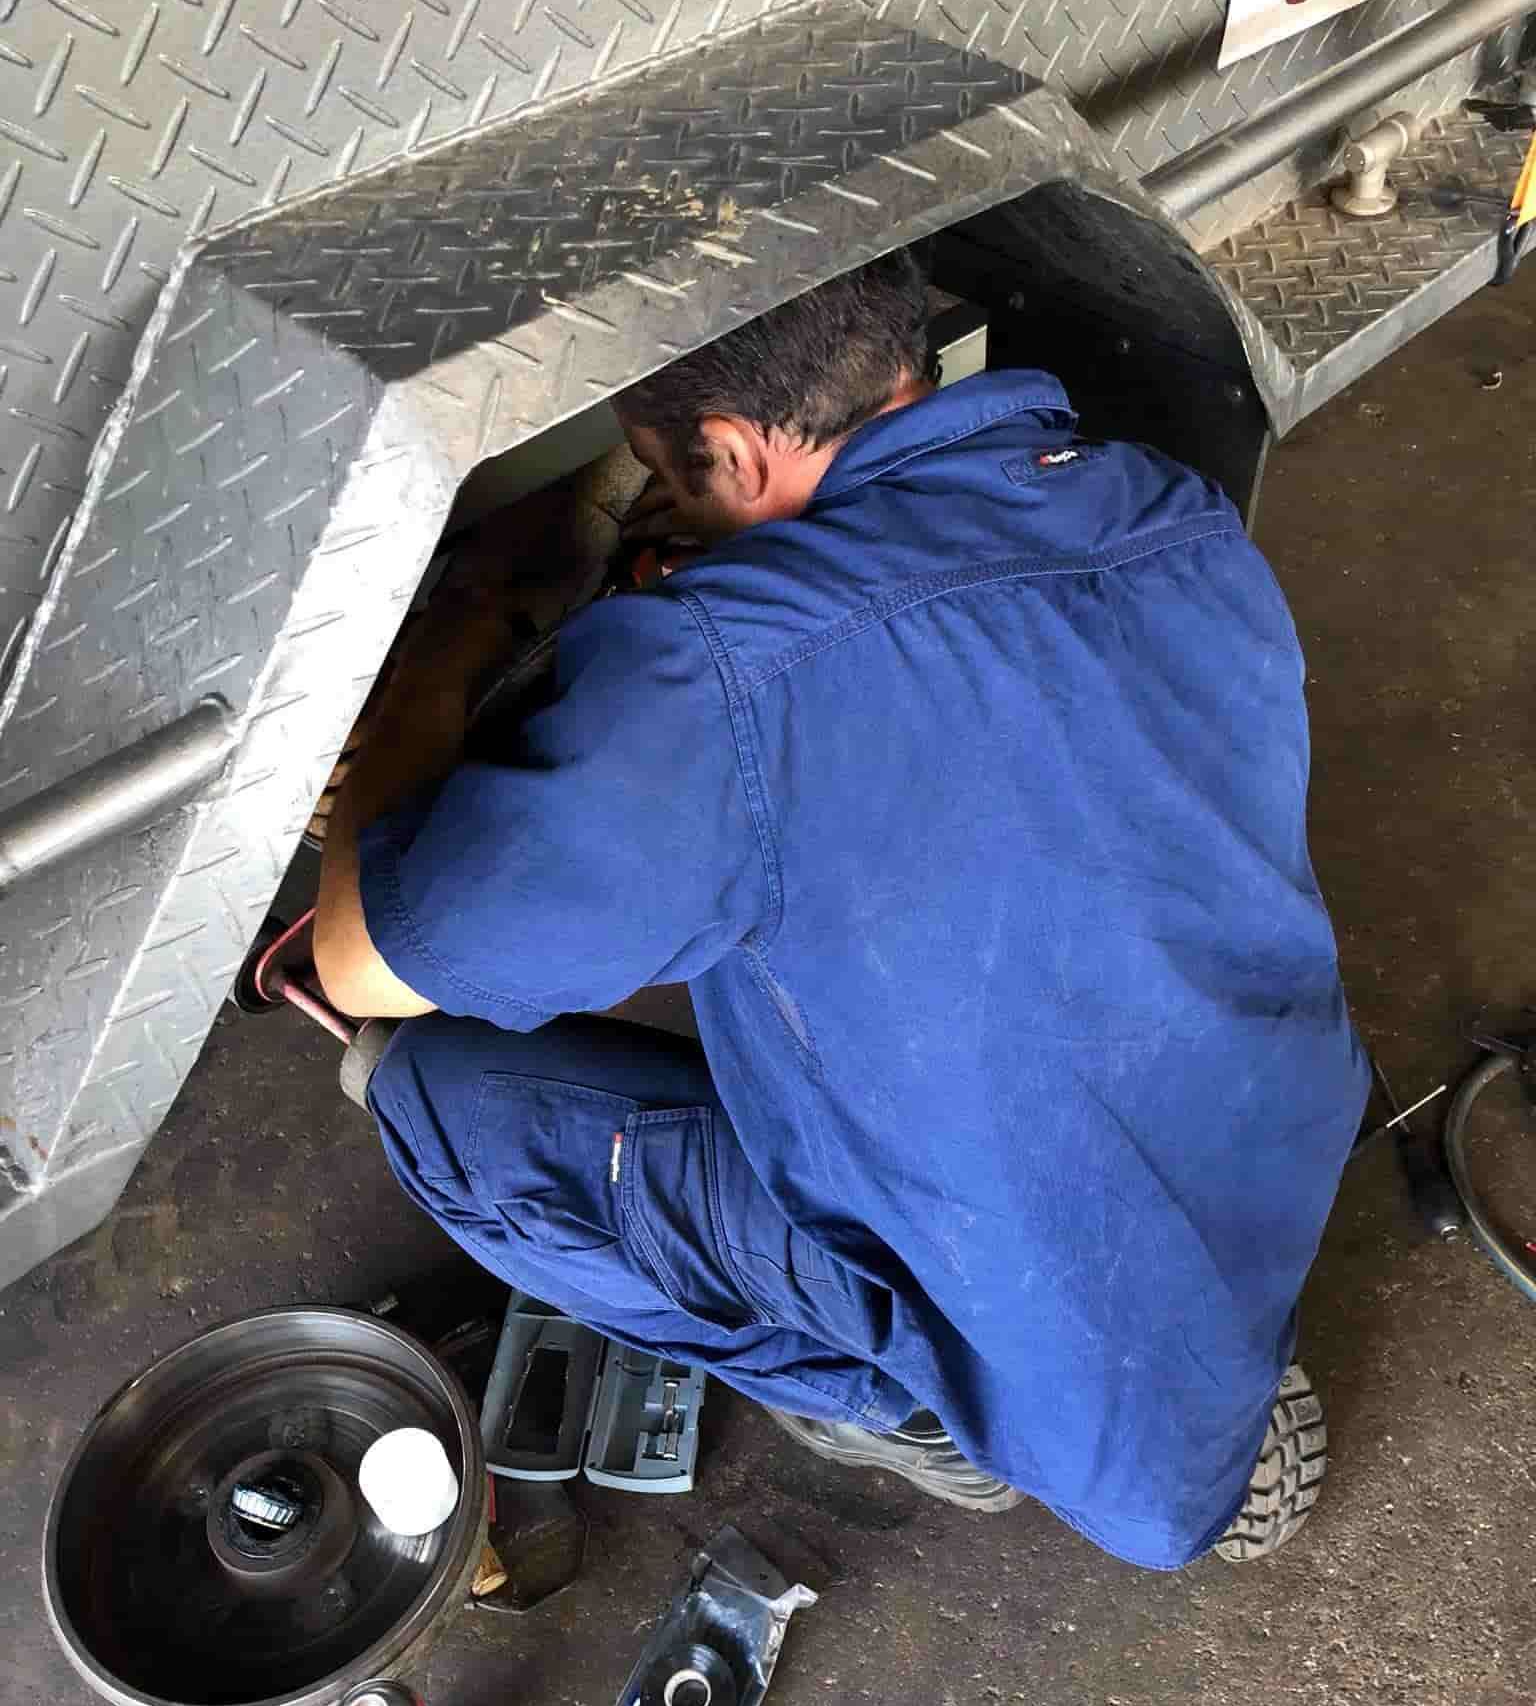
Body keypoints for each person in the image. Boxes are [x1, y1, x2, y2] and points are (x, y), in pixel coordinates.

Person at [313, 250, 1368, 1569]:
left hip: (1030, 1312)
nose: (657, 497)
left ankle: (921, 1408)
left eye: (661, 464)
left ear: (733, 455)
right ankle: (1135, 1366)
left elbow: (363, 958)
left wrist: (446, 659)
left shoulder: (721, 681)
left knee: (421, 1092)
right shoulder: (1174, 507)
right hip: (1258, 1146)